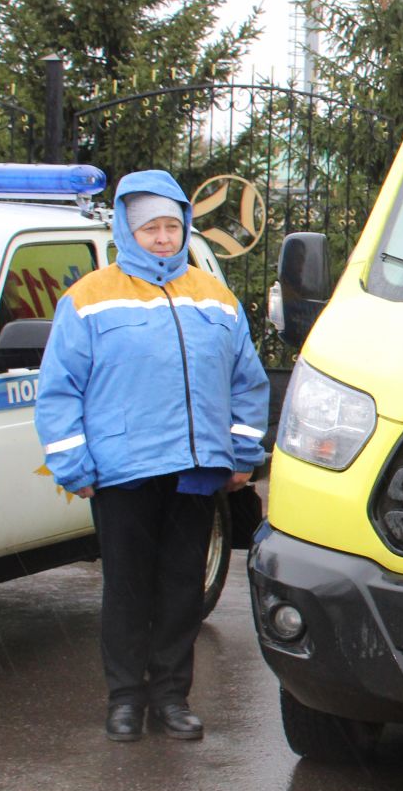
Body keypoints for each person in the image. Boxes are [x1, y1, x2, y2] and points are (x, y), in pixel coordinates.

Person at [36, 170, 270, 742]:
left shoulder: (214, 296)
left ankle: (171, 696)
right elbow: (60, 388)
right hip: (124, 473)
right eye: (151, 229)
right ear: (126, 230)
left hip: (195, 470)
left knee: (181, 586)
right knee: (127, 586)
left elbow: (247, 380)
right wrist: (73, 463)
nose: (164, 239)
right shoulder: (89, 298)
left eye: (172, 226)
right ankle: (124, 699)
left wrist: (243, 451)